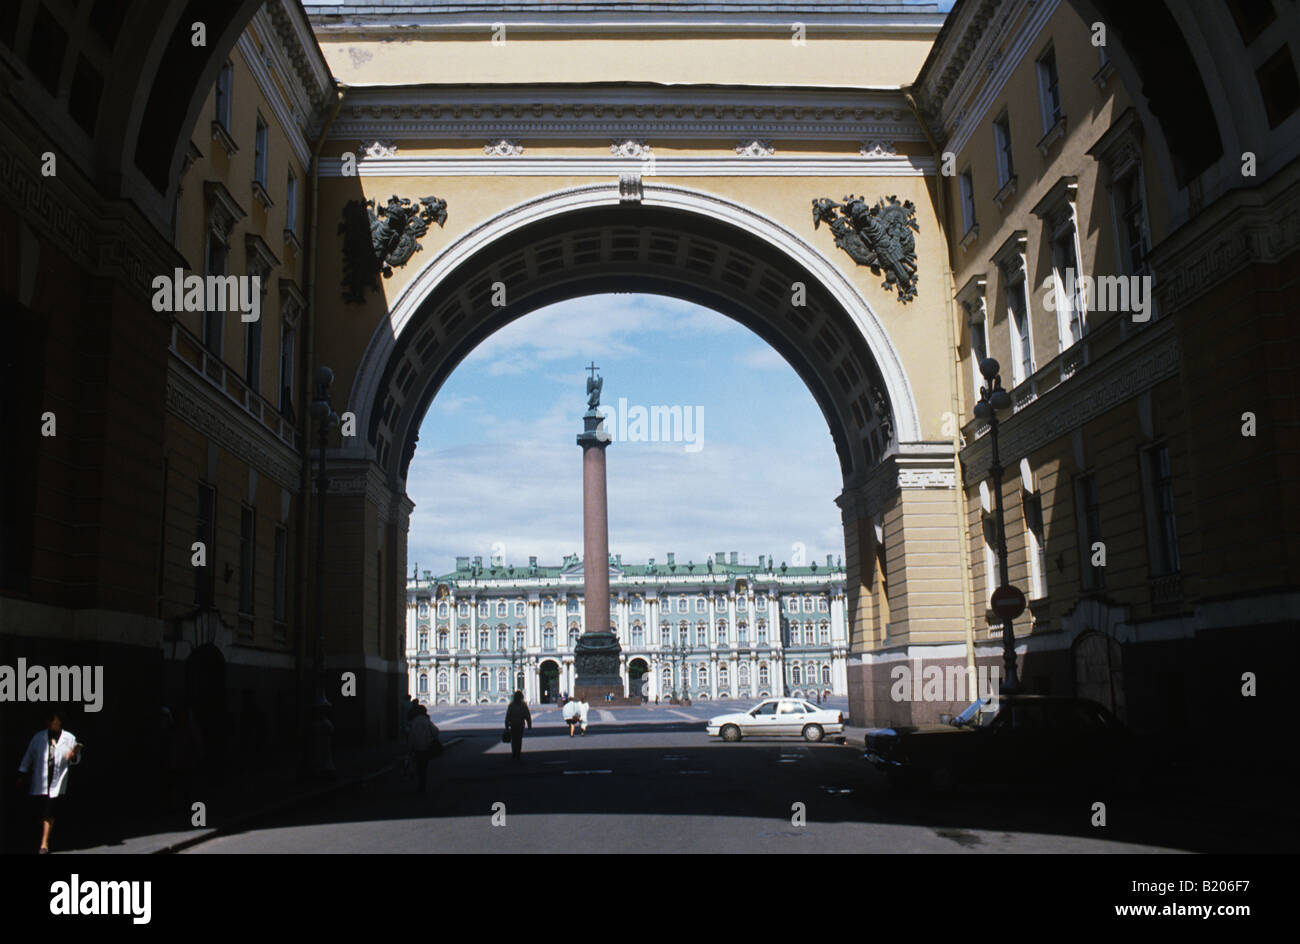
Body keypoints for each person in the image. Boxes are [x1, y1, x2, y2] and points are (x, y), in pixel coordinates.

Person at [16, 710, 82, 854]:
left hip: (57, 779)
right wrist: (22, 773)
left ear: (59, 721)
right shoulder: (38, 737)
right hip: (41, 780)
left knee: (49, 811)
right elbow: (29, 756)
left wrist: (73, 756)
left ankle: (44, 844)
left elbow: (77, 759)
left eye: (55, 721)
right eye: (50, 721)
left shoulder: (69, 738)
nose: (53, 723)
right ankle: (41, 837)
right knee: (40, 811)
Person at [407, 704, 441, 793]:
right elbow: (436, 731)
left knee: (419, 767)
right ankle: (423, 784)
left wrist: (410, 749)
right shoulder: (426, 721)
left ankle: (420, 784)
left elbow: (411, 737)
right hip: (427, 747)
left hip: (417, 748)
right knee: (424, 767)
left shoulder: (413, 722)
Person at [504, 691, 532, 761]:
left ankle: (514, 753)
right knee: (519, 740)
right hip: (520, 725)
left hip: (513, 725)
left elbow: (507, 717)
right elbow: (527, 715)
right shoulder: (523, 705)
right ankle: (518, 754)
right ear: (521, 697)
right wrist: (529, 725)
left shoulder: (511, 705)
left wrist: (507, 727)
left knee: (514, 740)